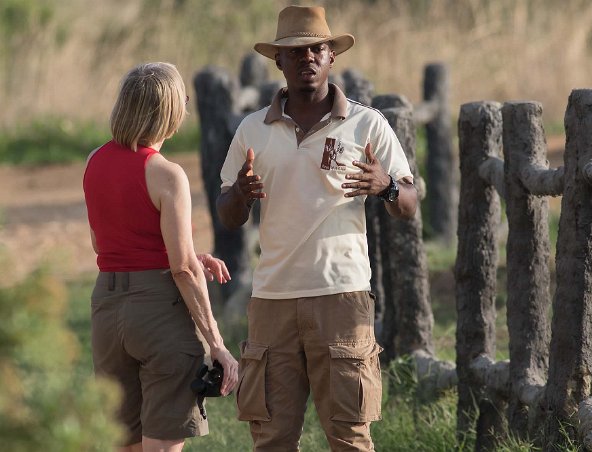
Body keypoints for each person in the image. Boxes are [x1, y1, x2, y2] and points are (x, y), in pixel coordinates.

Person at [216, 6, 417, 451]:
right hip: (272, 299)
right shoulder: (252, 130)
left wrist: (384, 185)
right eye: (295, 51)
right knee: (271, 437)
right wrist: (241, 196)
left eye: (316, 49)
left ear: (331, 57)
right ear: (279, 63)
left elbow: (408, 203)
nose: (307, 57)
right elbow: (227, 214)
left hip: (341, 297)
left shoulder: (367, 124)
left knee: (349, 436)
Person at [83, 62, 239, 452]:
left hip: (107, 308)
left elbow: (104, 246)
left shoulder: (93, 163)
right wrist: (217, 344)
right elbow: (182, 268)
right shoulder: (167, 174)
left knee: (123, 443)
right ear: (169, 112)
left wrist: (182, 253)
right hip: (158, 313)